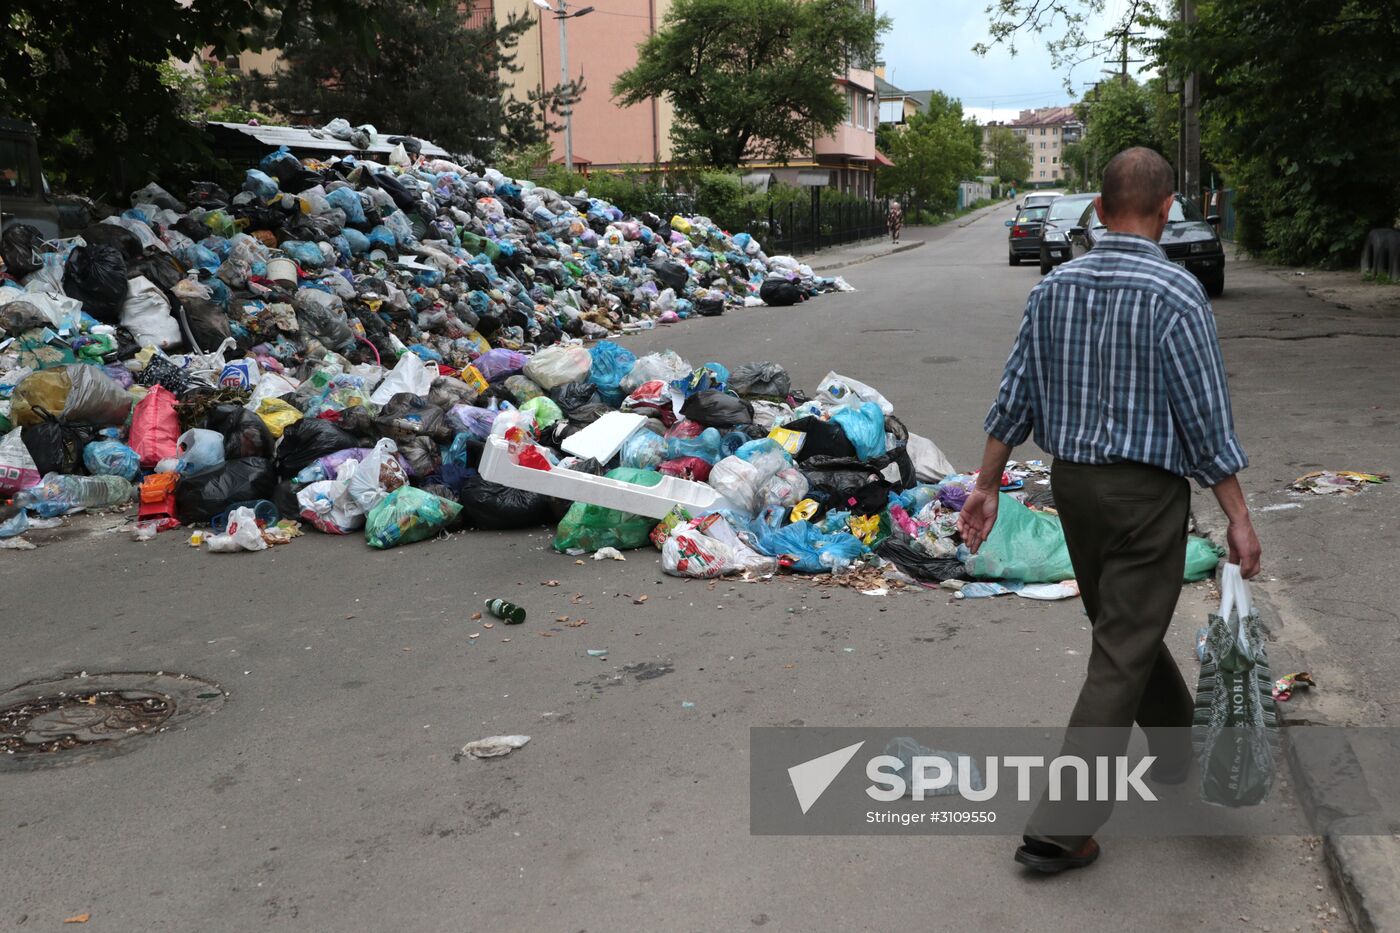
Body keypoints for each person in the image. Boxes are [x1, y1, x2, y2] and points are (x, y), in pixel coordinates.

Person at [959, 147, 1261, 875]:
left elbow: (1015, 396)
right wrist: (1239, 516)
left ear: (1097, 210)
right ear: (1167, 210)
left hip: (1074, 490)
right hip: (1142, 496)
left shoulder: (1055, 286)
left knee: (1123, 624)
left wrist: (986, 483)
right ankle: (1059, 828)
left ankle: (1175, 749)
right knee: (1122, 639)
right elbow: (1204, 418)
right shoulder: (1175, 292)